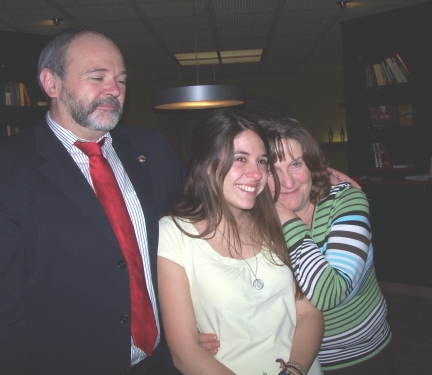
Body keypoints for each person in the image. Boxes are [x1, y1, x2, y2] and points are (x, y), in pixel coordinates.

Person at [0, 27, 186, 374]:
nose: (114, 89)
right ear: (51, 83)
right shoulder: (9, 170)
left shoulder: (152, 150)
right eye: (97, 76)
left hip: (162, 363)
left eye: (121, 80)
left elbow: (201, 222)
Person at [157, 110, 324, 375]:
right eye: (240, 159)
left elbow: (308, 313)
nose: (256, 173)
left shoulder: (275, 220)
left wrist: (294, 370)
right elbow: (185, 352)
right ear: (207, 163)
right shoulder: (173, 233)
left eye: (261, 161)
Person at [261, 118, 395, 375]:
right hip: (295, 360)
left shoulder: (346, 201)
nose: (287, 182)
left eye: (296, 164)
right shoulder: (257, 220)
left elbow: (329, 293)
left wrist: (286, 217)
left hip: (361, 356)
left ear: (311, 164)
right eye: (273, 170)